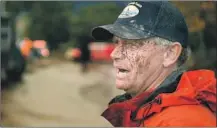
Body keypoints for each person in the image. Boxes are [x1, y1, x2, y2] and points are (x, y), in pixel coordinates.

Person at [91, 1, 216, 127]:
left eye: (132, 43)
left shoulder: (183, 122)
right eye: (117, 42)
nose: (114, 54)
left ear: (170, 53)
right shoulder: (147, 111)